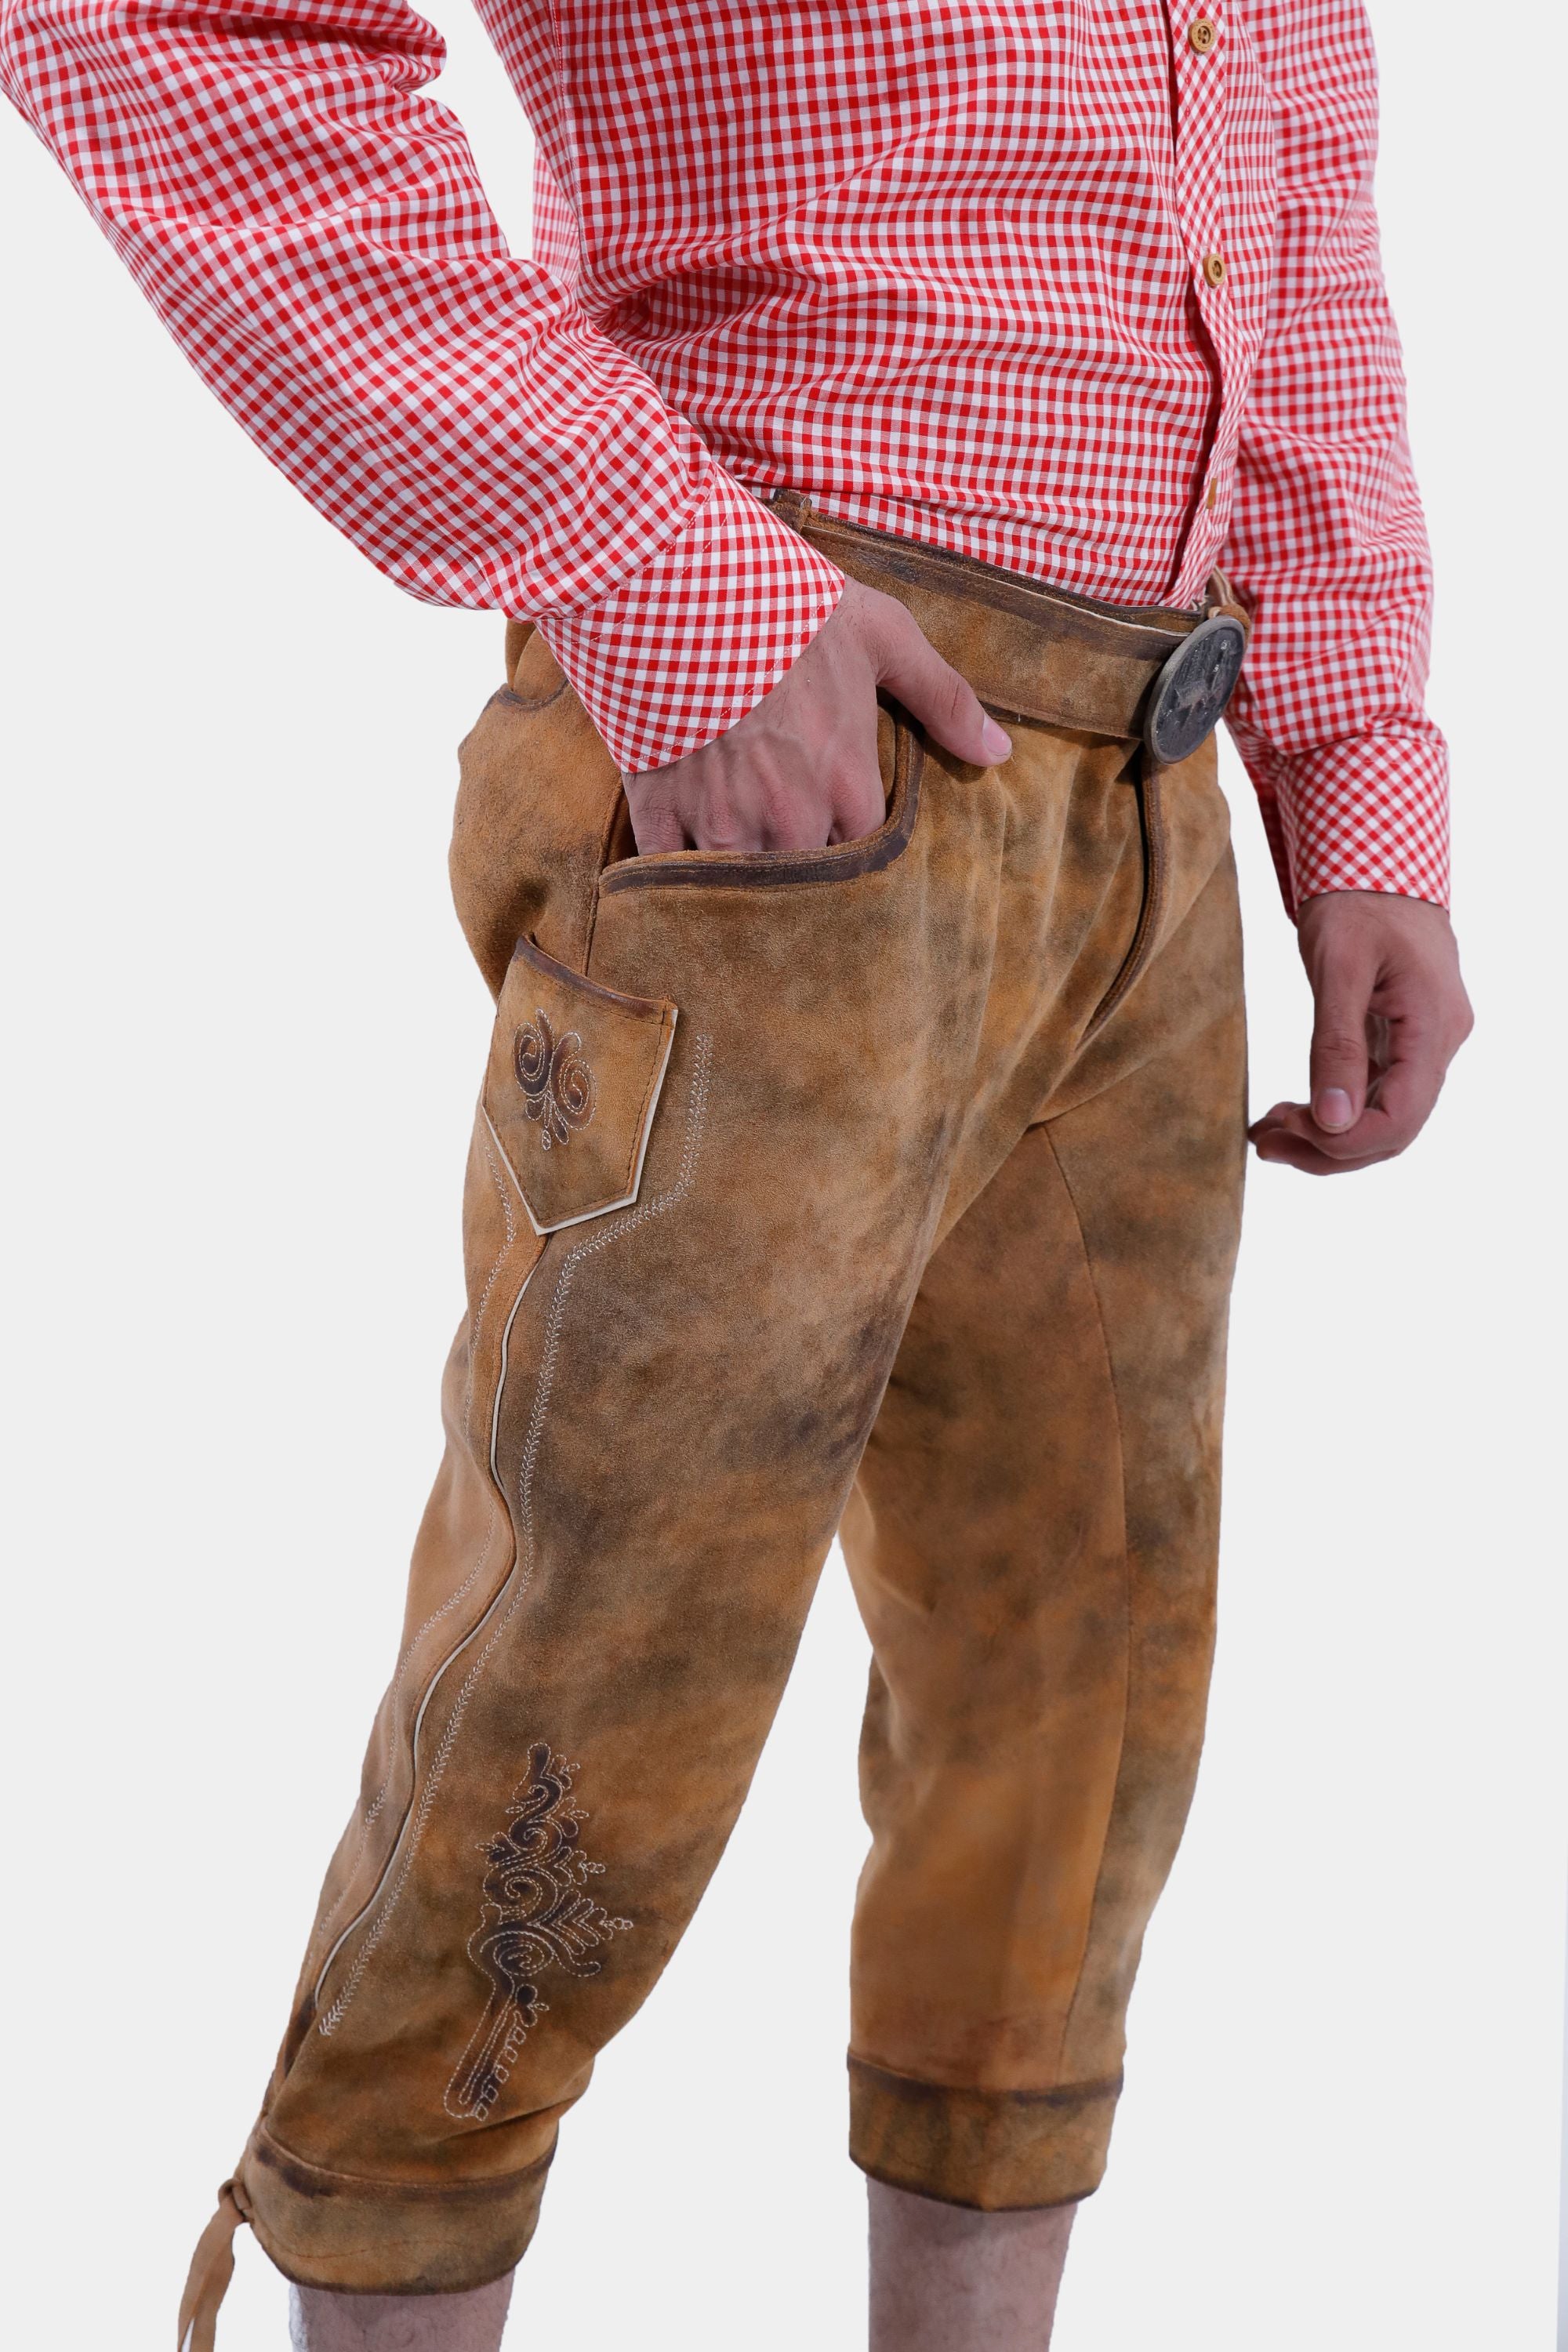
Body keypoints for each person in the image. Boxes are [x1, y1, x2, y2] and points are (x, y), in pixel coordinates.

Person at [1, 3, 1472, 2347]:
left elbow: (1293, 147)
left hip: (1155, 800)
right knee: (589, 1690)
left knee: (1078, 1700)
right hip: (795, 762)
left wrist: (1352, 761)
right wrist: (651, 562)